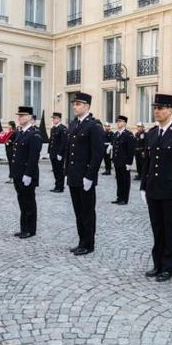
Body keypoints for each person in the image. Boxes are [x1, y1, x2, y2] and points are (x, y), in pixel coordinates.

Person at [140, 93, 172, 282]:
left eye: (161, 108)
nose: (157, 111)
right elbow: (148, 163)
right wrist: (143, 187)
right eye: (155, 108)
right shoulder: (152, 133)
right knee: (157, 229)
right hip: (154, 190)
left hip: (171, 192)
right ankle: (158, 264)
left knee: (171, 230)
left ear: (170, 110)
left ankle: (169, 267)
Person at [65, 92, 105, 256]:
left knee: (87, 211)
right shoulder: (74, 124)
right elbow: (70, 151)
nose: (75, 106)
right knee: (78, 211)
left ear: (87, 106)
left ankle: (89, 244)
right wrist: (67, 171)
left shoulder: (94, 125)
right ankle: (81, 240)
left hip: (85, 176)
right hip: (74, 175)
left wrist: (90, 176)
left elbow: (97, 153)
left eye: (78, 104)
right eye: (74, 104)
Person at [12, 106, 42, 239]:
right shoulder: (20, 133)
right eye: (19, 115)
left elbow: (33, 157)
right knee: (22, 201)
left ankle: (30, 229)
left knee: (29, 202)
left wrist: (28, 174)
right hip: (18, 173)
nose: (19, 118)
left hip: (27, 174)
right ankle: (23, 227)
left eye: (22, 115)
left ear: (30, 117)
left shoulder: (34, 134)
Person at [111, 115, 135, 205]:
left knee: (125, 181)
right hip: (118, 162)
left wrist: (129, 163)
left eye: (120, 121)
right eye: (117, 121)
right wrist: (113, 159)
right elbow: (115, 148)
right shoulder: (116, 134)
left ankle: (125, 199)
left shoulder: (128, 135)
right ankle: (119, 197)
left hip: (125, 163)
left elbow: (131, 150)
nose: (118, 123)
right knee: (119, 180)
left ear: (124, 123)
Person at [48, 112, 68, 193]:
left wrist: (60, 153)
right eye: (53, 118)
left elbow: (64, 142)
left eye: (55, 118)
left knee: (60, 171)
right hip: (53, 153)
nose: (53, 120)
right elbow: (51, 141)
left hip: (59, 154)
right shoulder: (53, 128)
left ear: (59, 119)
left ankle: (60, 187)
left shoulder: (62, 128)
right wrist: (49, 151)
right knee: (55, 170)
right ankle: (57, 185)